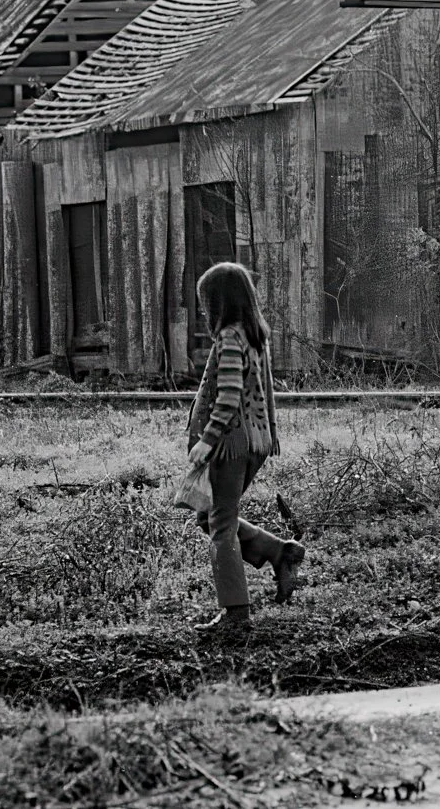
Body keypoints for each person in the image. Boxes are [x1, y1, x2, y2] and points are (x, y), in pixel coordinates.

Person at [185, 261, 306, 634]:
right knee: (210, 515)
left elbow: (229, 395)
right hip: (256, 440)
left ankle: (235, 612)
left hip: (231, 443)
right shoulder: (255, 336)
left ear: (220, 301)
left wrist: (207, 440)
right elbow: (266, 389)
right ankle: (279, 552)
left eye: (206, 301)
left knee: (220, 524)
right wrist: (272, 432)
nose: (204, 309)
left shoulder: (229, 338)